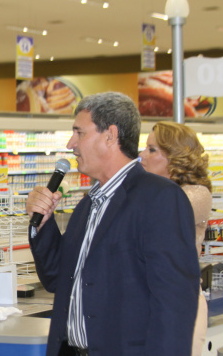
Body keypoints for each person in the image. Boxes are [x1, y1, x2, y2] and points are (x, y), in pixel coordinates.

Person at [25, 92, 200, 356]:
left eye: (79, 132)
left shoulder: (159, 198)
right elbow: (57, 279)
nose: (71, 143)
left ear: (110, 135)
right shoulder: (88, 205)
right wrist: (43, 224)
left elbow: (174, 303)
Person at [140, 121, 212, 356]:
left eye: (152, 149)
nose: (142, 155)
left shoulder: (196, 195)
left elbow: (155, 219)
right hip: (143, 302)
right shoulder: (148, 192)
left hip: (180, 307)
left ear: (175, 157)